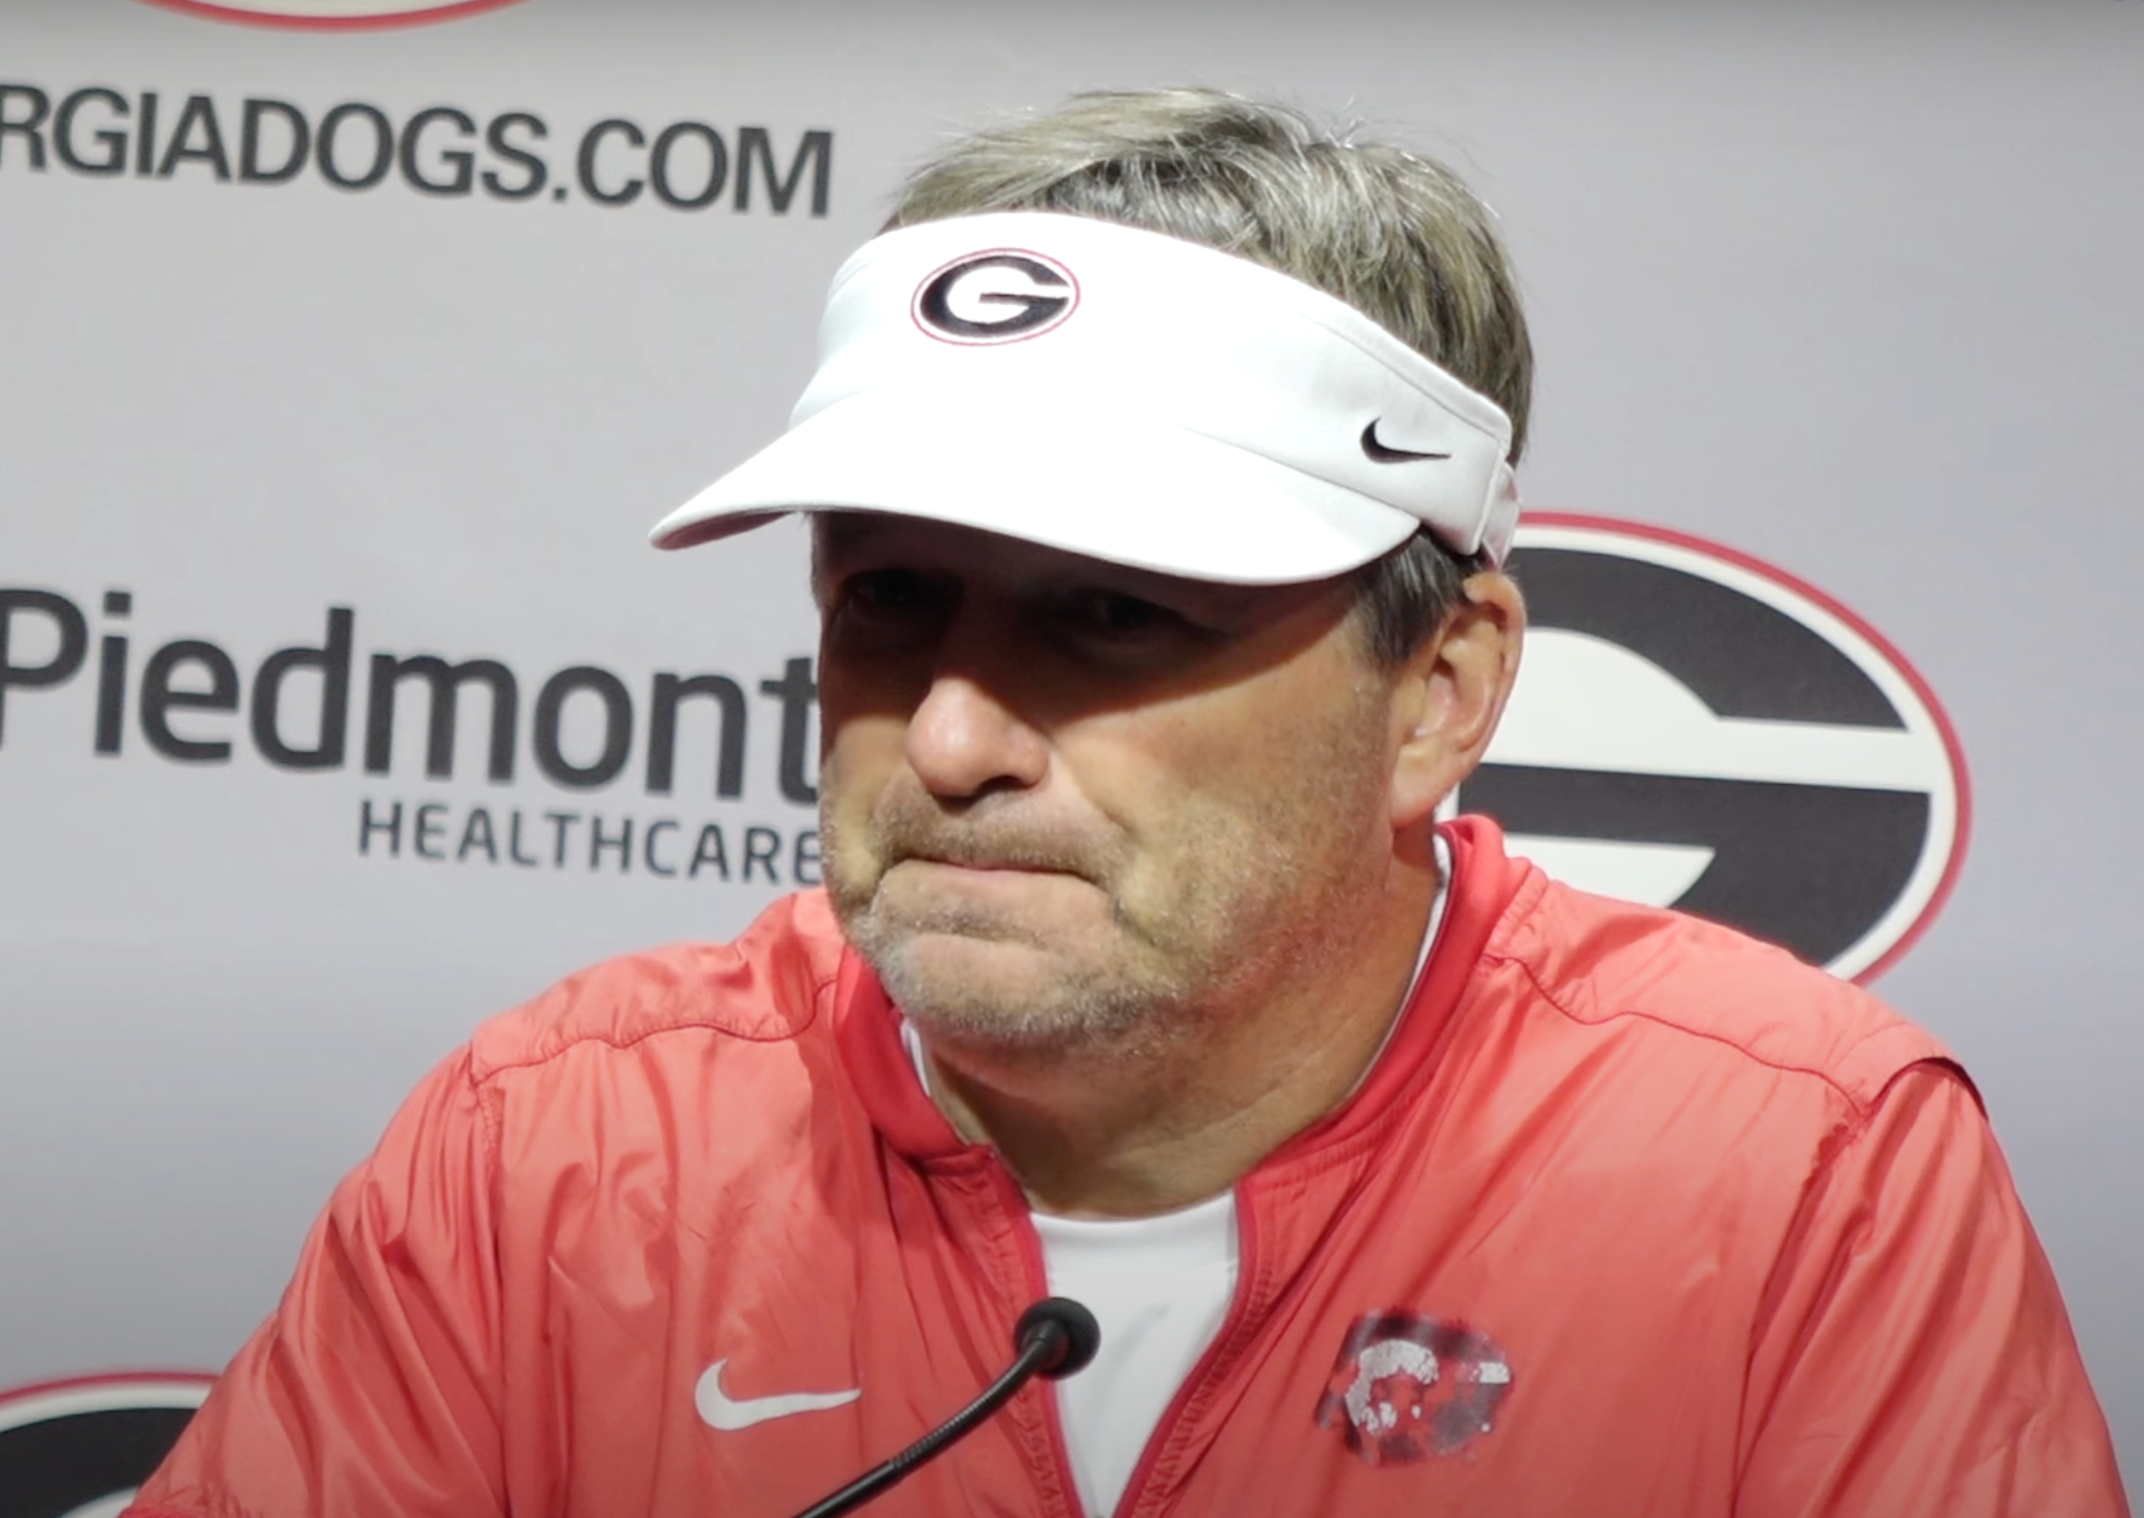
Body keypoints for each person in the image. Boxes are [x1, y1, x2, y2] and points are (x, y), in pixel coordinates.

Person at [128, 87, 2127, 1518]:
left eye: (1110, 617)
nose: (951, 742)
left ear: (1437, 693)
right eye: (890, 601)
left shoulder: (1795, 1172)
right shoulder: (557, 1149)